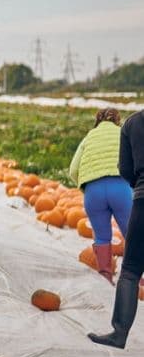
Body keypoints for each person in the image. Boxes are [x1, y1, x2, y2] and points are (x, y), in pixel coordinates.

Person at [89, 109, 144, 348]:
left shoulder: (133, 123)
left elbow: (125, 170)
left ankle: (119, 333)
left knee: (131, 270)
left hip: (143, 198)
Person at [69, 108, 132, 284]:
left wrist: (86, 186)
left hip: (93, 191)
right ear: (117, 121)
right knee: (133, 235)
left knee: (102, 237)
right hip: (120, 187)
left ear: (97, 121)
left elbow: (73, 170)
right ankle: (138, 280)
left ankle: (106, 278)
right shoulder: (123, 134)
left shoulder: (89, 137)